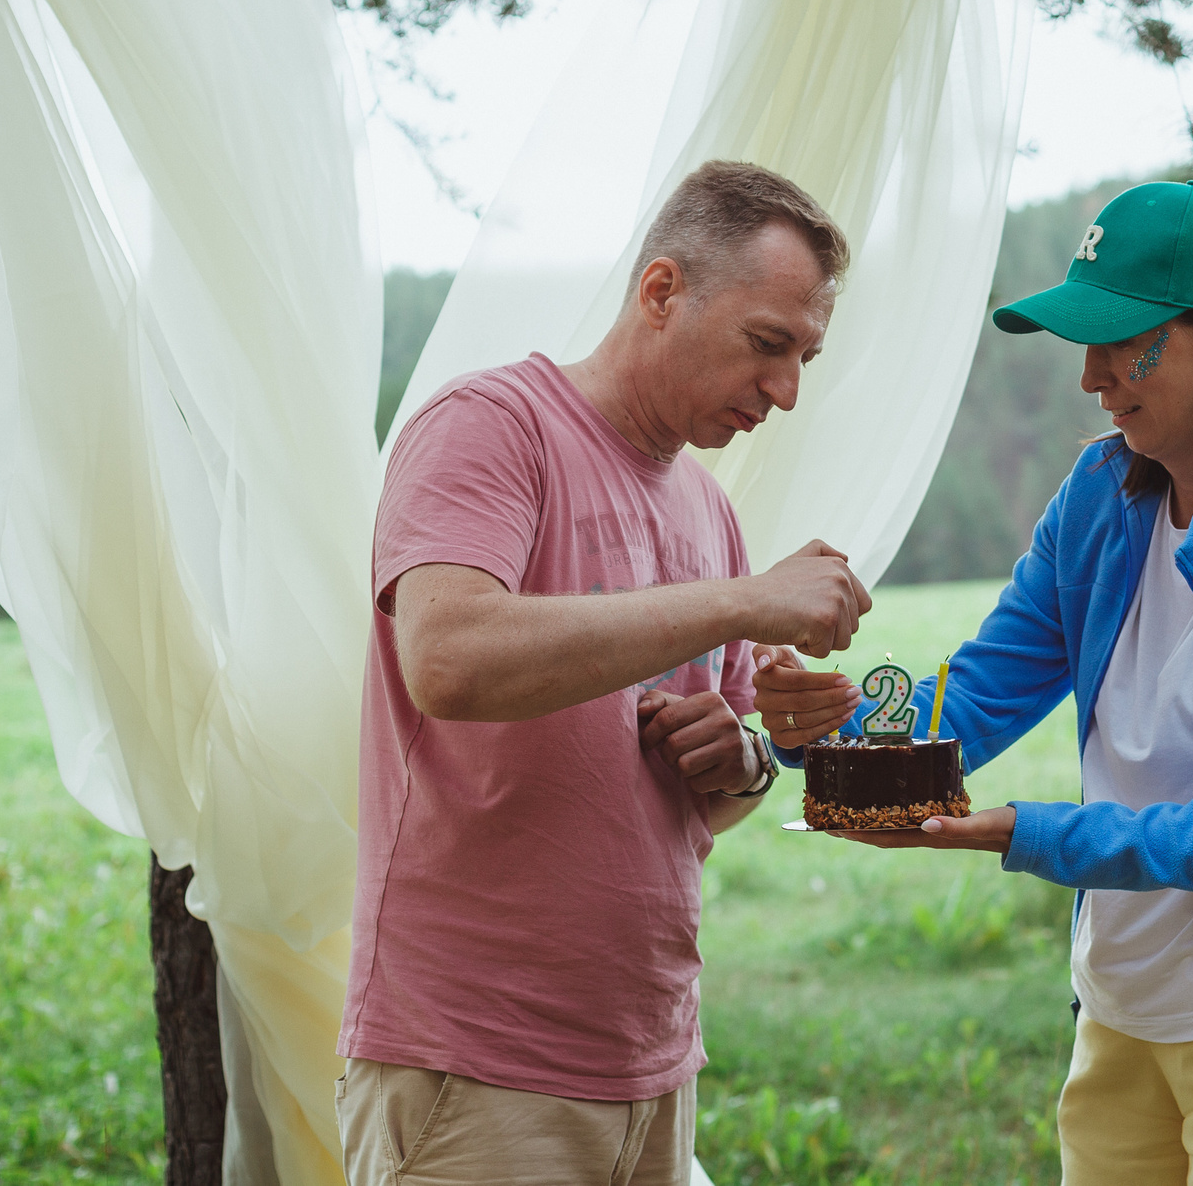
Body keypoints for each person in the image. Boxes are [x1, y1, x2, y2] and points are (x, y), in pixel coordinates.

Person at [756, 180, 1193, 1186]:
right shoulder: (1099, 496)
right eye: (1080, 343)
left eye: (1123, 340)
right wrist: (818, 736)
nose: (1092, 376)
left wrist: (1027, 833)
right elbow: (977, 696)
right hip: (1119, 1020)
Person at [338, 160, 873, 1186]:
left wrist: (754, 758)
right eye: (768, 345)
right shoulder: (490, 427)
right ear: (662, 291)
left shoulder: (704, 508)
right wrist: (743, 600)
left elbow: (694, 813)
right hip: (473, 1069)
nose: (787, 391)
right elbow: (446, 660)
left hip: (654, 1065)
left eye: (804, 355)